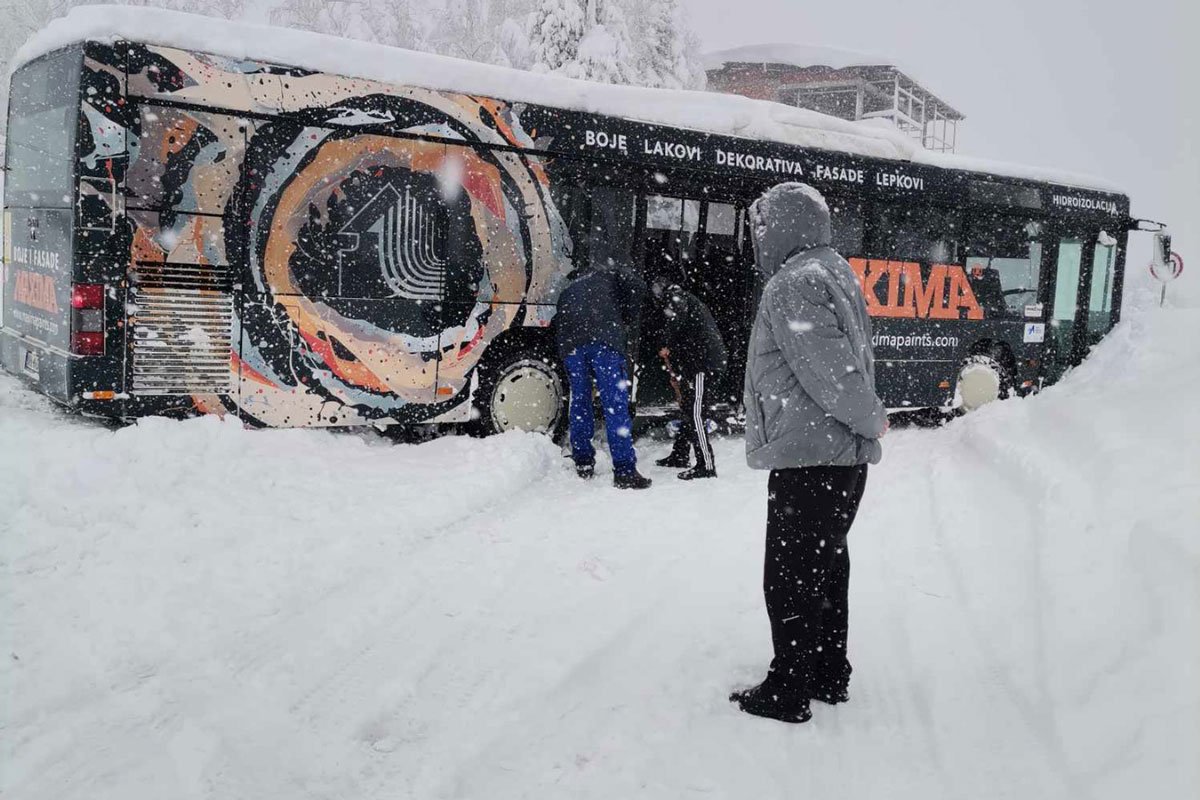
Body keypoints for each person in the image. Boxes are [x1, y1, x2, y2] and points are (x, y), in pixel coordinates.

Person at [730, 182, 887, 724]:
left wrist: (873, 420)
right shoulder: (832, 270)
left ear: (786, 227)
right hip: (832, 459)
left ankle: (789, 690)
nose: (758, 238)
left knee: (791, 576)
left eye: (763, 226)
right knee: (826, 567)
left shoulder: (795, 283)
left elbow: (836, 377)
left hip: (811, 458)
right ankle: (826, 671)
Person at [555, 260, 652, 490]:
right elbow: (638, 288)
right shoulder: (614, 275)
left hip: (571, 345)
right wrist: (625, 320)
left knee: (580, 400)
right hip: (604, 342)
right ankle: (625, 470)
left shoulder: (569, 289)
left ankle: (583, 461)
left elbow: (559, 318)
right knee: (614, 403)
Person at [652, 281, 727, 480]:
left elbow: (677, 319)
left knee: (695, 413)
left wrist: (664, 342)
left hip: (705, 365)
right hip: (698, 363)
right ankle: (680, 454)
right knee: (688, 407)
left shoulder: (677, 296)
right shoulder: (686, 302)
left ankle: (706, 465)